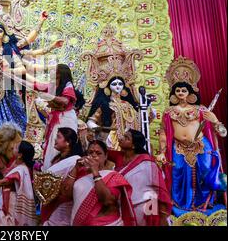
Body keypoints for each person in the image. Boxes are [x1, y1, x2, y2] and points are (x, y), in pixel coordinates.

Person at [157, 56, 227, 216]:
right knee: (178, 173)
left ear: (189, 93)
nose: (181, 93)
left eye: (184, 90)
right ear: (174, 93)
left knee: (205, 173)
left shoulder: (201, 109)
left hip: (201, 145)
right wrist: (162, 150)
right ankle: (182, 205)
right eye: (178, 90)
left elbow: (223, 133)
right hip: (178, 147)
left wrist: (215, 120)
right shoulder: (168, 112)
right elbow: (163, 132)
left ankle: (204, 203)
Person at [63, 140, 136, 226]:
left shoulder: (113, 176)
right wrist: (75, 168)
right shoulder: (81, 174)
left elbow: (107, 201)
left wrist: (95, 172)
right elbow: (66, 193)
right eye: (90, 152)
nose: (93, 155)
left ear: (106, 156)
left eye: (98, 153)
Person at [108, 129, 171, 225]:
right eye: (123, 136)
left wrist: (162, 214)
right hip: (122, 205)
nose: (121, 139)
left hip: (146, 206)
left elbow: (158, 188)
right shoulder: (119, 156)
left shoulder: (147, 161)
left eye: (126, 138)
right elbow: (101, 152)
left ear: (133, 145)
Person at [40, 64, 83, 170]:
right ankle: (49, 171)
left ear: (60, 73)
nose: (51, 72)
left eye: (54, 71)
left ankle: (58, 171)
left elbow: (65, 100)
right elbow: (35, 84)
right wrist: (17, 76)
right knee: (53, 144)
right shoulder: (54, 86)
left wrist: (51, 97)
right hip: (57, 119)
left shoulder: (68, 85)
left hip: (65, 119)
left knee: (62, 143)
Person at [41, 127, 83, 225]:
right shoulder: (57, 158)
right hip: (50, 200)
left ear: (68, 142)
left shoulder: (74, 161)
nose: (55, 139)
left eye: (59, 137)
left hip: (63, 203)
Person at [87, 76, 140, 151]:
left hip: (129, 139)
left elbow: (138, 120)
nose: (118, 86)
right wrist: (98, 129)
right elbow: (91, 121)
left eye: (120, 84)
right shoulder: (105, 104)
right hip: (110, 137)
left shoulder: (128, 104)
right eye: (114, 84)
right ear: (108, 87)